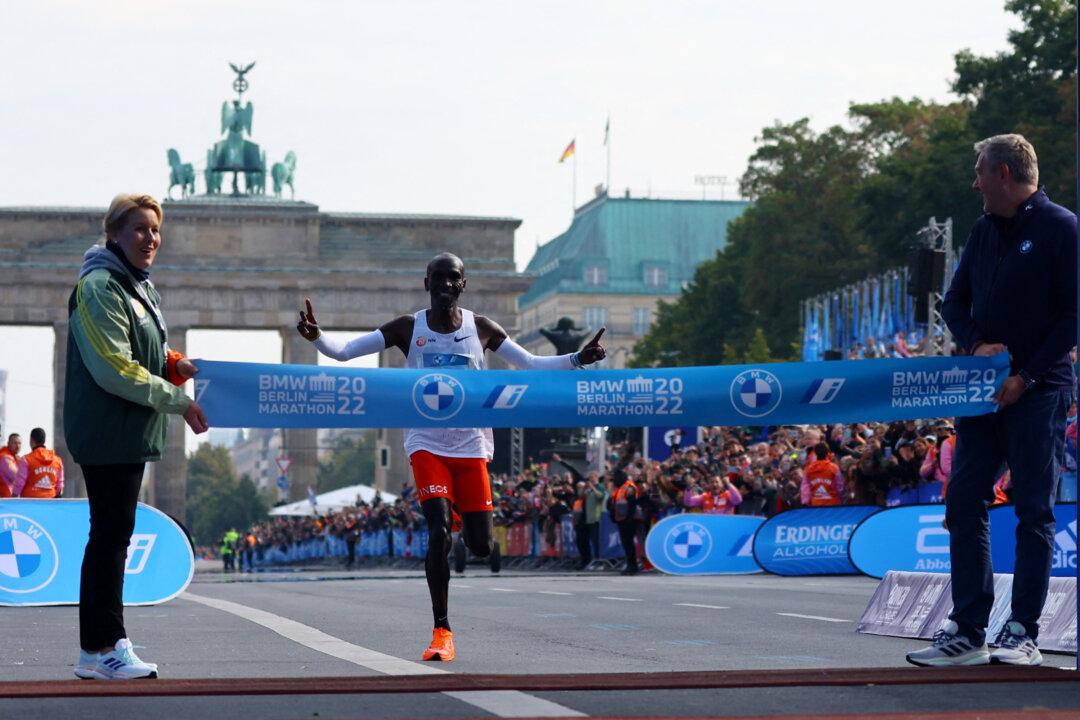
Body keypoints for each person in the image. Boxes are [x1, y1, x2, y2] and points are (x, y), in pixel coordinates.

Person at [297, 252, 605, 661]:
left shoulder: (481, 328)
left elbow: (530, 363)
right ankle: (441, 629)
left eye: (452, 279)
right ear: (426, 283)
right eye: (437, 278)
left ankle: (461, 518)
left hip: (472, 444)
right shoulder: (409, 328)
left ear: (463, 284)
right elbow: (347, 351)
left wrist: (578, 359)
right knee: (438, 529)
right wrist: (318, 337)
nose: (444, 285)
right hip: (427, 442)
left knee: (479, 546)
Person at [907, 134, 1076, 668]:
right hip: (983, 393)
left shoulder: (1061, 229)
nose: (974, 181)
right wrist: (977, 344)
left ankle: (1022, 629)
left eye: (979, 171)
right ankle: (968, 627)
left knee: (1034, 509)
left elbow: (1073, 317)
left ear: (1004, 174)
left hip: (1040, 390)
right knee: (963, 500)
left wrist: (1024, 375)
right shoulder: (983, 231)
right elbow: (954, 301)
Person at [65, 194, 209, 680]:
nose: (150, 239)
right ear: (115, 235)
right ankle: (101, 648)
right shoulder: (102, 286)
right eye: (139, 229)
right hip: (108, 430)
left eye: (155, 230)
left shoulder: (136, 288)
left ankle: (106, 643)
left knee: (114, 537)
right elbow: (116, 368)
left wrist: (175, 364)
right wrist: (179, 401)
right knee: (109, 538)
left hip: (125, 431)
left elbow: (151, 349)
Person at [15, 427, 63, 498]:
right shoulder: (57, 460)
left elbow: (20, 483)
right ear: (44, 440)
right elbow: (59, 487)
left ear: (31, 440)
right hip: (50, 503)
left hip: (30, 503)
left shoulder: (26, 460)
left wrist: (13, 497)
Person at [801, 442, 842, 506]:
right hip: (833, 504)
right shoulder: (834, 468)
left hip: (816, 504)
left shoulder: (808, 469)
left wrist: (805, 501)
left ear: (815, 453)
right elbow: (839, 486)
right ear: (828, 452)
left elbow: (805, 487)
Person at [0, 433, 23, 498]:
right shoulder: (5, 457)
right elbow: (17, 477)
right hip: (6, 499)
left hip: (9, 499)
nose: (17, 446)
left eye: (19, 443)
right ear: (8, 443)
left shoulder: (16, 458)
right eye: (15, 443)